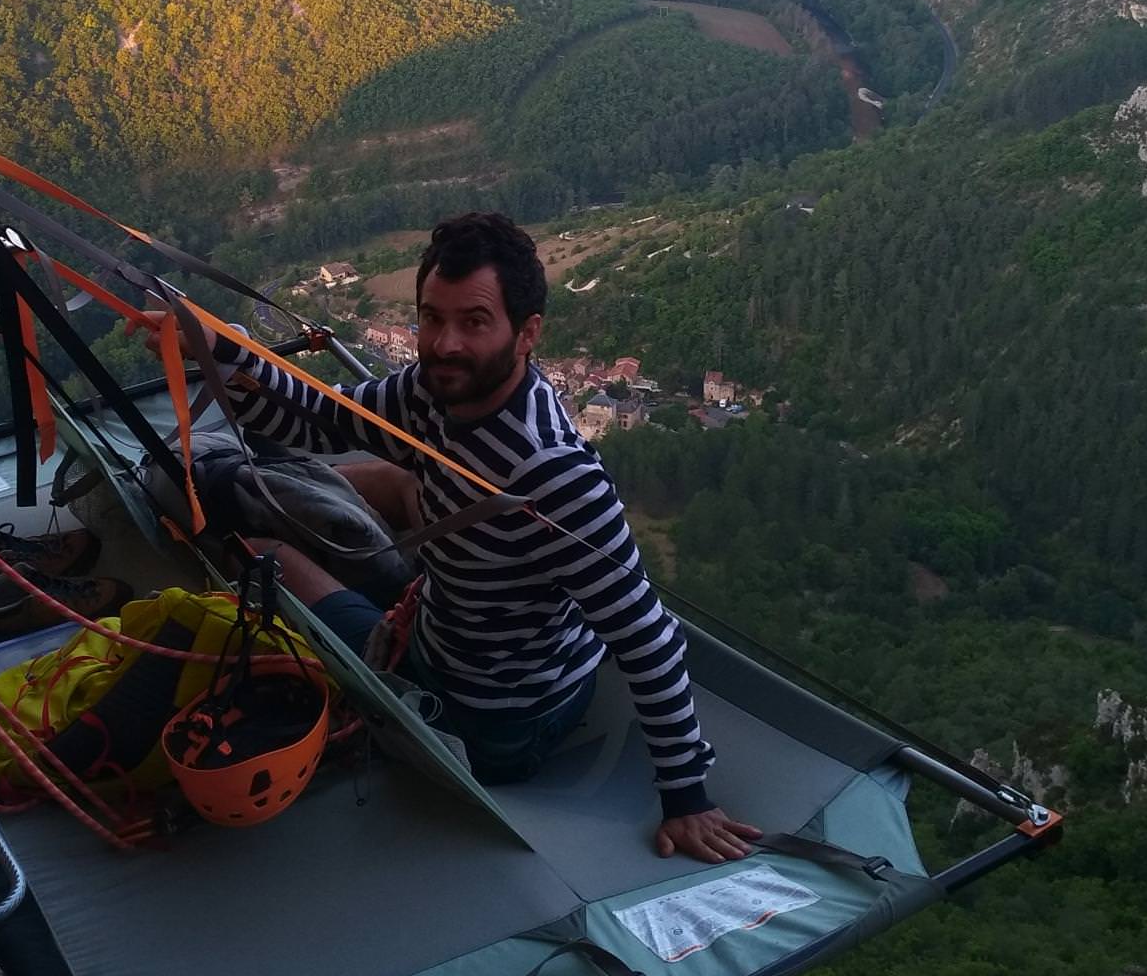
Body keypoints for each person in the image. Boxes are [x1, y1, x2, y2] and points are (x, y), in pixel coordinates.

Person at [219, 211, 760, 865]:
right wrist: (217, 349)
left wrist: (686, 797)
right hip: (463, 611)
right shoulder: (431, 392)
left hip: (495, 719)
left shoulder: (552, 473)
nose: (444, 343)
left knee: (268, 555)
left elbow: (646, 635)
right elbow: (319, 419)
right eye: (431, 317)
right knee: (387, 475)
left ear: (527, 333)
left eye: (473, 322)